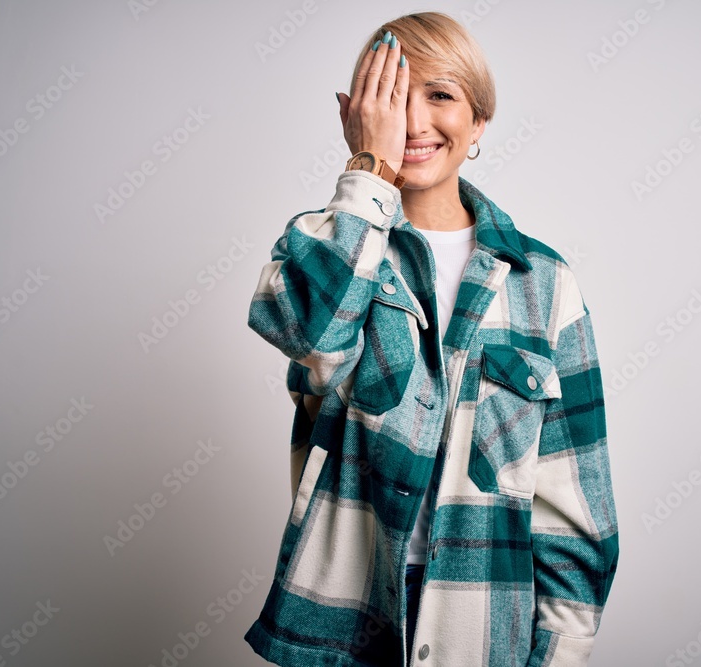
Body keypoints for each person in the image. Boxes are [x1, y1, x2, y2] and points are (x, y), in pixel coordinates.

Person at [244, 11, 619, 666]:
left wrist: (556, 657)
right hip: (340, 628)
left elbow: (575, 514)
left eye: (439, 95)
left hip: (483, 628)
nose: (414, 123)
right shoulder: (324, 245)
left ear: (478, 121)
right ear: (354, 113)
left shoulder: (545, 283)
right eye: (392, 95)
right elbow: (312, 332)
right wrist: (370, 168)